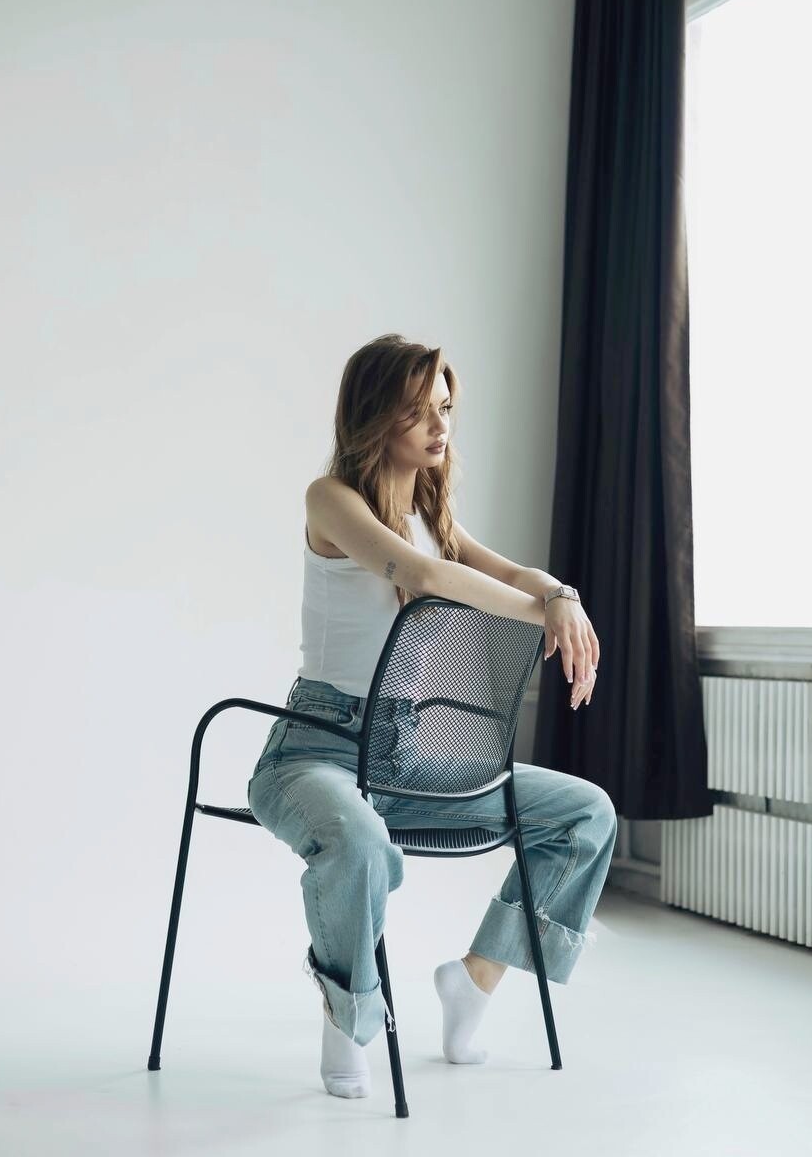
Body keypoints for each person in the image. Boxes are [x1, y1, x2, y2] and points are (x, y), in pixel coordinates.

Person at [247, 333, 616, 1099]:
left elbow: (514, 571)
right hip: (314, 749)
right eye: (418, 411)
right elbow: (421, 573)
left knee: (586, 814)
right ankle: (349, 1010)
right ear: (375, 416)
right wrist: (544, 614)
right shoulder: (331, 500)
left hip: (404, 756)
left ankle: (473, 981)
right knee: (358, 842)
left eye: (445, 407)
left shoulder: (428, 512)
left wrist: (563, 597)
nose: (439, 425)